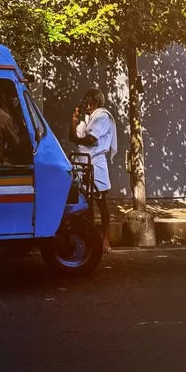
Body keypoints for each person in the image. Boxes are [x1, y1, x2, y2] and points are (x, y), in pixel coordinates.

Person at [71, 88, 118, 253]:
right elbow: (73, 137)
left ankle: (106, 238)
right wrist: (74, 118)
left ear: (95, 102)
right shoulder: (87, 120)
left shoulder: (102, 116)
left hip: (96, 162)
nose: (85, 103)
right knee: (87, 201)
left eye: (88, 100)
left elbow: (91, 140)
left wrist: (78, 139)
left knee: (101, 200)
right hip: (84, 163)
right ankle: (90, 238)